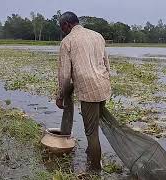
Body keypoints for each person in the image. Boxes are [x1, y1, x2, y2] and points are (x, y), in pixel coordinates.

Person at [56, 11, 111, 171]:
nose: (62, 30)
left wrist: (60, 95)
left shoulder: (68, 41)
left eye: (62, 27)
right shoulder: (97, 36)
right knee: (94, 125)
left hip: (89, 90)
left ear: (67, 24)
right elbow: (106, 63)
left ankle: (95, 169)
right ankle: (90, 153)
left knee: (91, 131)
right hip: (103, 86)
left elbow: (65, 75)